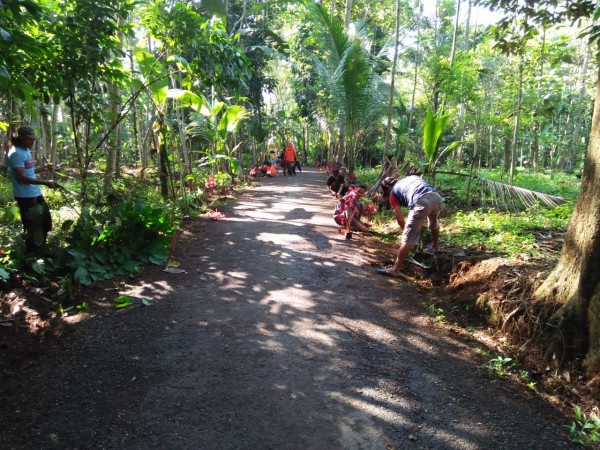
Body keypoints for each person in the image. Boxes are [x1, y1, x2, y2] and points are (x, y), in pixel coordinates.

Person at [377, 172, 444, 277]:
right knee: (433, 222)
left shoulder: (393, 192)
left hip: (421, 202)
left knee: (407, 237)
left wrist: (406, 231)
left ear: (388, 187)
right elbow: (421, 177)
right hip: (436, 198)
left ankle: (395, 269)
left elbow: (399, 217)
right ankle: (435, 247)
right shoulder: (411, 178)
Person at [7, 125, 59, 253]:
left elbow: (27, 171)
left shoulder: (25, 150)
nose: (33, 142)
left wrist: (43, 168)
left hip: (34, 193)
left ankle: (41, 250)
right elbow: (21, 178)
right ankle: (32, 257)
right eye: (30, 139)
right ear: (22, 137)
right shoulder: (16, 153)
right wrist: (46, 182)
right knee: (32, 227)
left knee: (45, 223)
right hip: (25, 196)